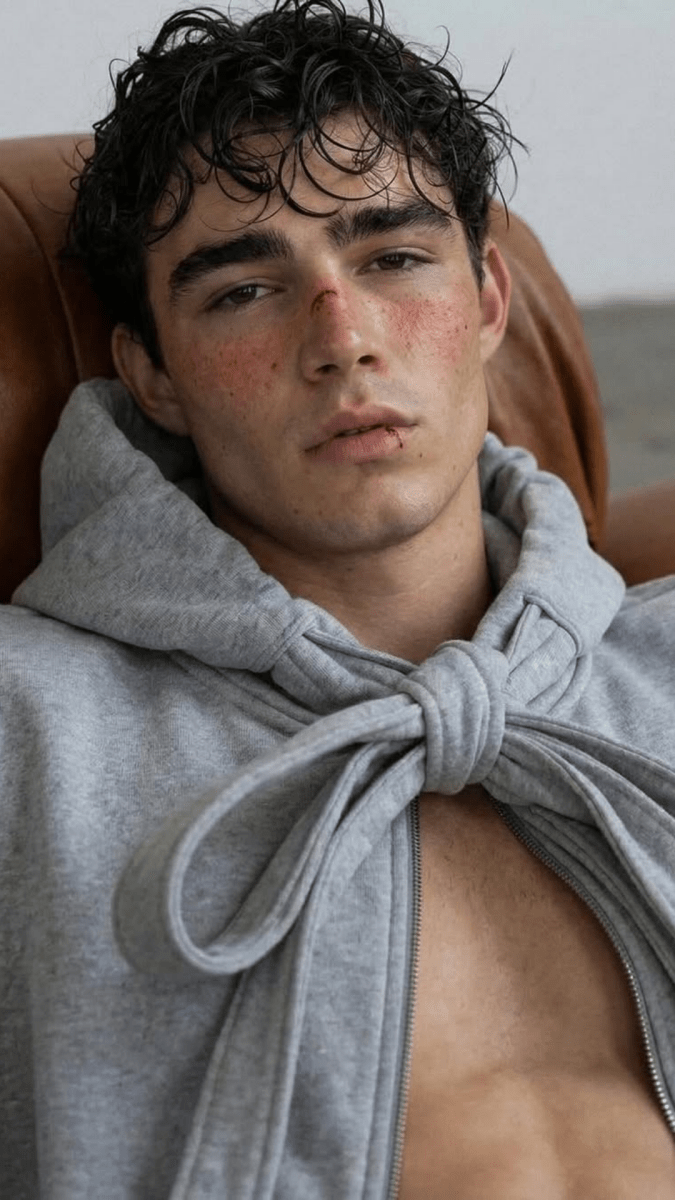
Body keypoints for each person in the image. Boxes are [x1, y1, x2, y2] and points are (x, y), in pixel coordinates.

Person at [1, 1, 675, 1196]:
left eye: (393, 258)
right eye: (242, 292)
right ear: (151, 375)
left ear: (489, 300)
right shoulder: (28, 727)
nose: (343, 338)